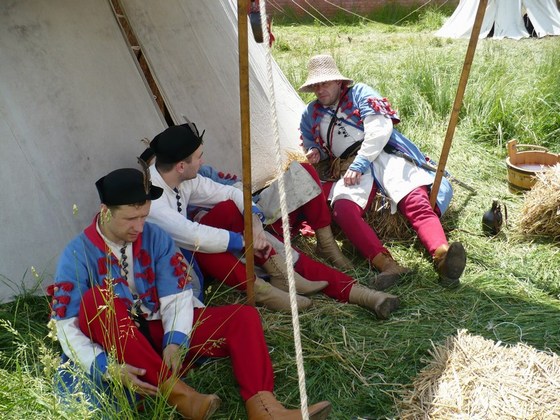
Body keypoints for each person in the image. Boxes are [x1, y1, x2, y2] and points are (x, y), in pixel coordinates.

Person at [47, 167, 331, 419]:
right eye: (131, 219)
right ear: (105, 211)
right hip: (117, 340)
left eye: (144, 216)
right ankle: (179, 395)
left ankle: (265, 408)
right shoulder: (76, 254)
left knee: (243, 317)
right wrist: (107, 367)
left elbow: (177, 292)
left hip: (158, 327)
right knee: (97, 300)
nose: (139, 227)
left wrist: (175, 341)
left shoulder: (154, 237)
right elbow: (66, 325)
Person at [142, 124, 400, 319]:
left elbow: (231, 193)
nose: (203, 161)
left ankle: (363, 294)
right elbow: (193, 236)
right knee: (211, 240)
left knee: (271, 243)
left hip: (224, 238)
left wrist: (254, 223)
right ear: (180, 166)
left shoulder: (185, 178)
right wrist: (245, 240)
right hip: (186, 264)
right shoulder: (153, 202)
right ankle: (265, 290)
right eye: (199, 157)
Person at [299, 54, 467, 289]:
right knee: (343, 209)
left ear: (338, 81)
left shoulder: (360, 93)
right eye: (315, 86)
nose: (319, 90)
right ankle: (387, 265)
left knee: (415, 198)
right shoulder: (310, 113)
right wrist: (315, 152)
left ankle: (442, 256)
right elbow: (311, 142)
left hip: (384, 154)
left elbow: (380, 129)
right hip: (348, 165)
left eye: (324, 83)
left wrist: (361, 163)